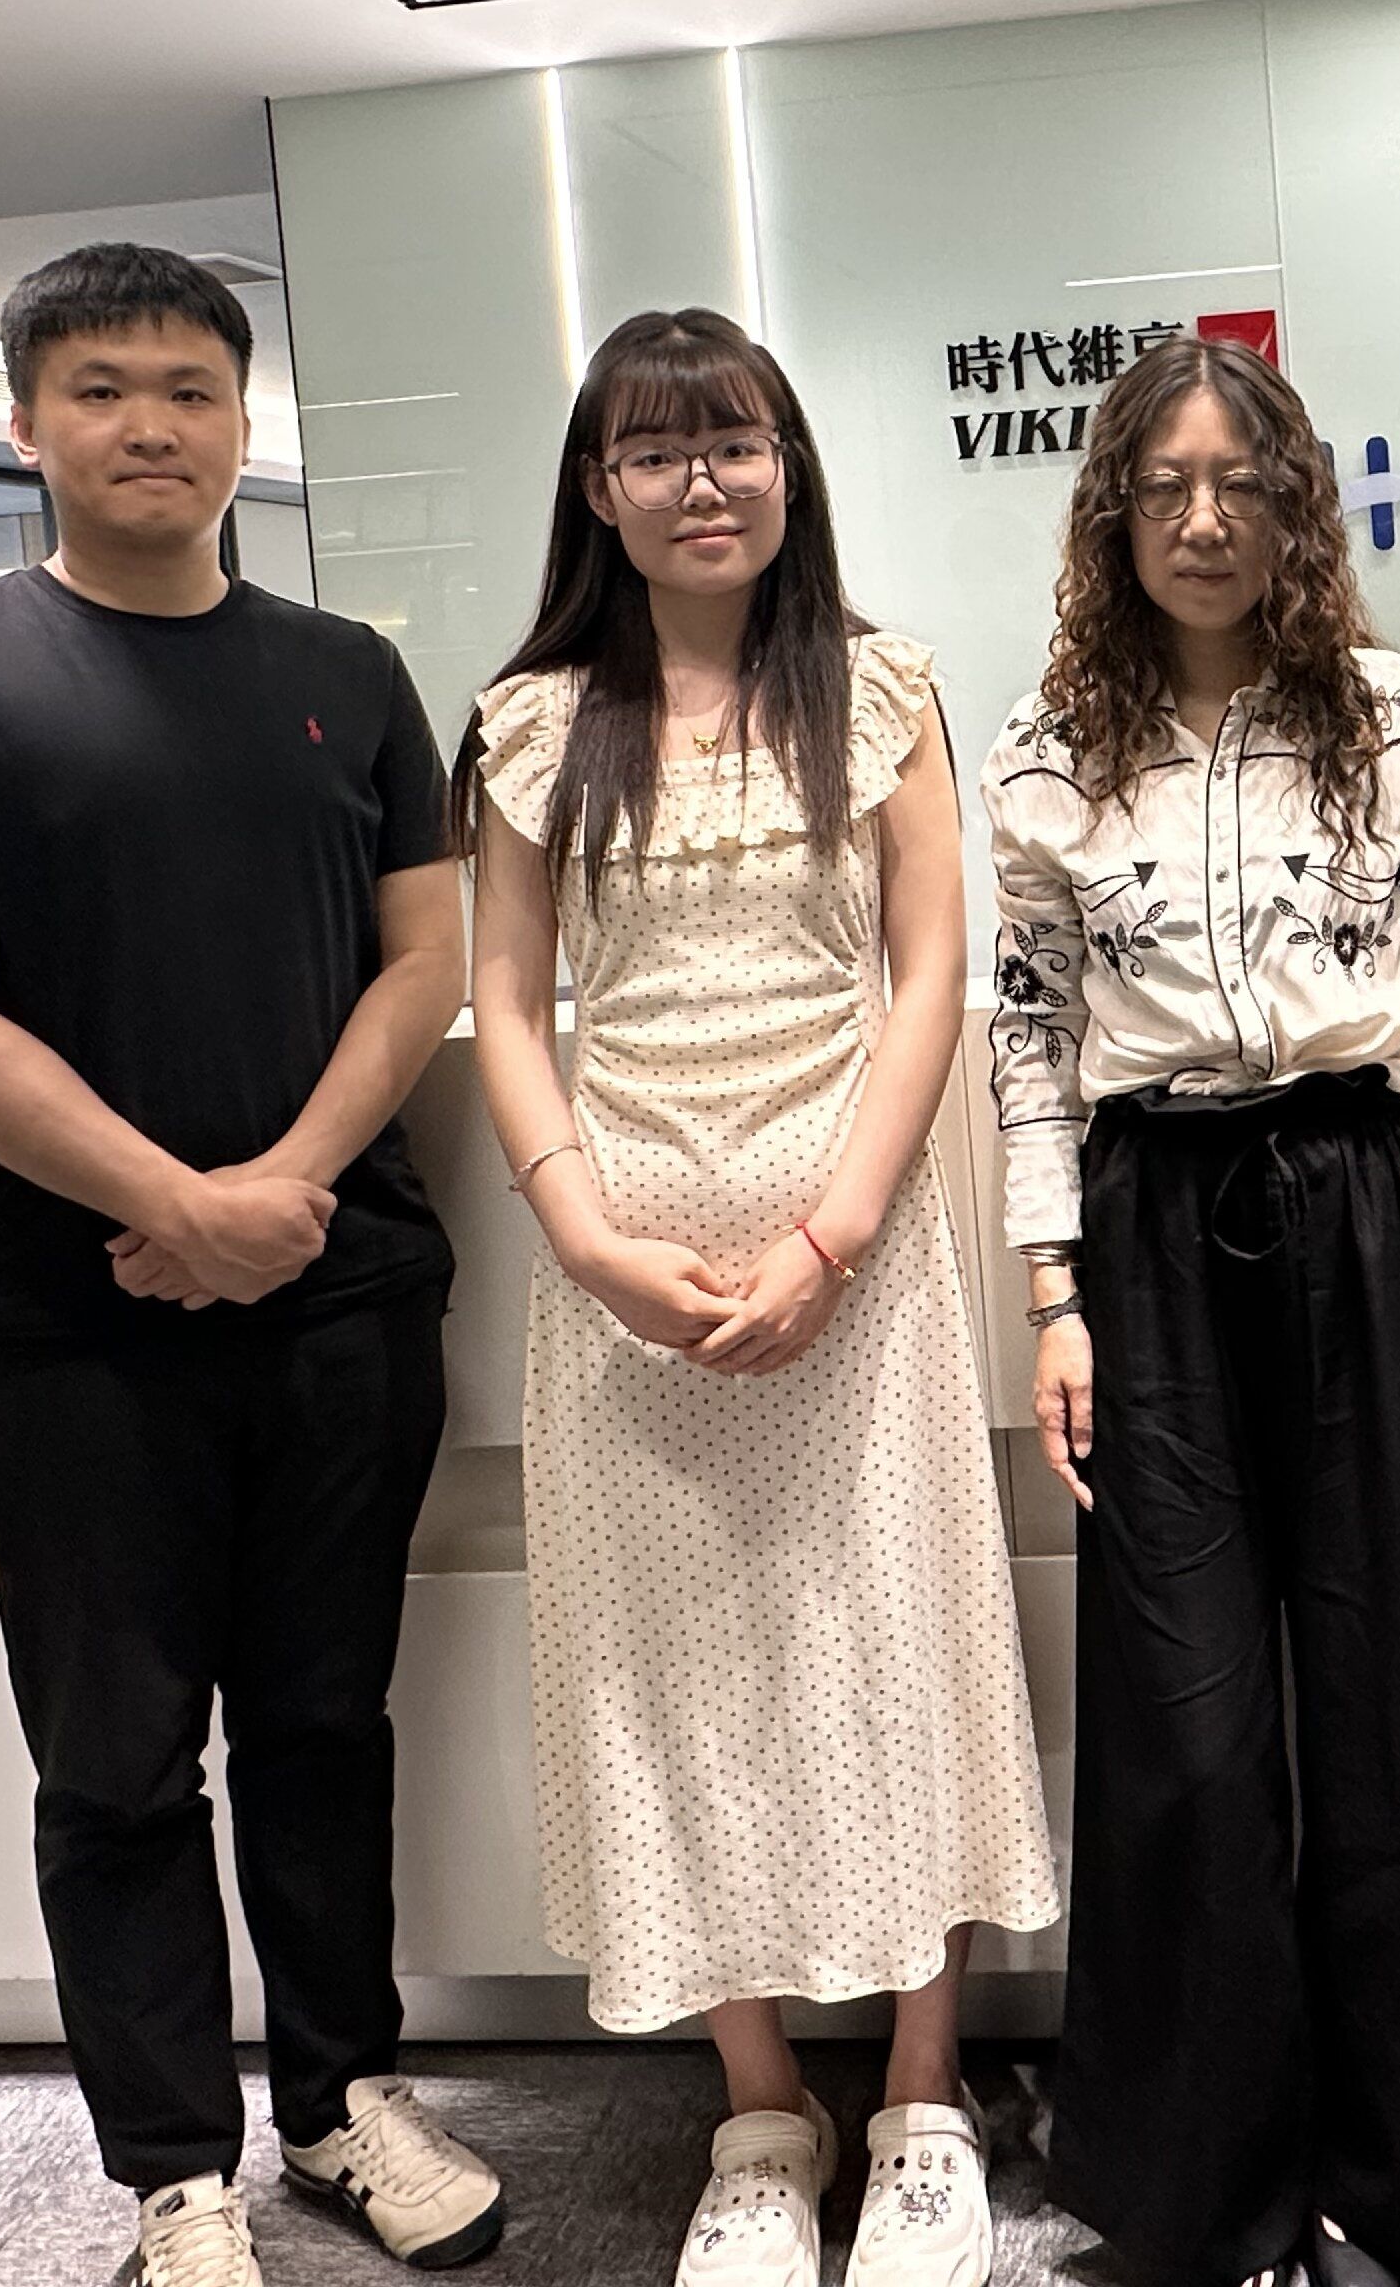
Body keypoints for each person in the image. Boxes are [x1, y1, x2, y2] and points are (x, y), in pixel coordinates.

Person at [0, 243, 503, 2287]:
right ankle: (175, 2171)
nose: (149, 425)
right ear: (25, 422)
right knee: (113, 1760)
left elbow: (425, 962)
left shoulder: (347, 669)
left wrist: (278, 1187)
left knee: (324, 1722)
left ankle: (344, 2102)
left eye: (190, 388)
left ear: (243, 424)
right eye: (100, 389)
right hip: (71, 1317)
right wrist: (181, 1208)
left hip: (342, 1290)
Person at [457, 308, 1057, 2287]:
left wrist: (833, 1234)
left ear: (790, 466)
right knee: (674, 1678)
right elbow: (507, 1003)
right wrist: (583, 1237)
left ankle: (923, 2099)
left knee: (893, 1649)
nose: (700, 481)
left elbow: (930, 973)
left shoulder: (880, 691)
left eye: (735, 442)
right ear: (598, 490)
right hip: (623, 1286)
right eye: (655, 450)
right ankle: (757, 2112)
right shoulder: (532, 723)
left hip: (856, 1277)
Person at [981, 333, 1400, 2287]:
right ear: (1114, 516)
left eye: (1242, 484)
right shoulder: (1049, 747)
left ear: (1296, 506)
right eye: (1165, 487)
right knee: (1189, 1725)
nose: (1205, 520)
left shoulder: (1392, 716)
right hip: (1150, 1224)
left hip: (1376, 1201)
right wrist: (1053, 1296)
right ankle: (1204, 2182)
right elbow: (1029, 1038)